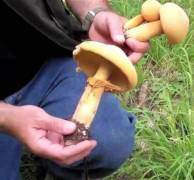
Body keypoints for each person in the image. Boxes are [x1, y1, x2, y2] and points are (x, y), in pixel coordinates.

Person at [0, 0, 149, 179]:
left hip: (44, 57)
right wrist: (6, 118)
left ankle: (55, 164)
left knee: (110, 140)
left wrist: (95, 13)